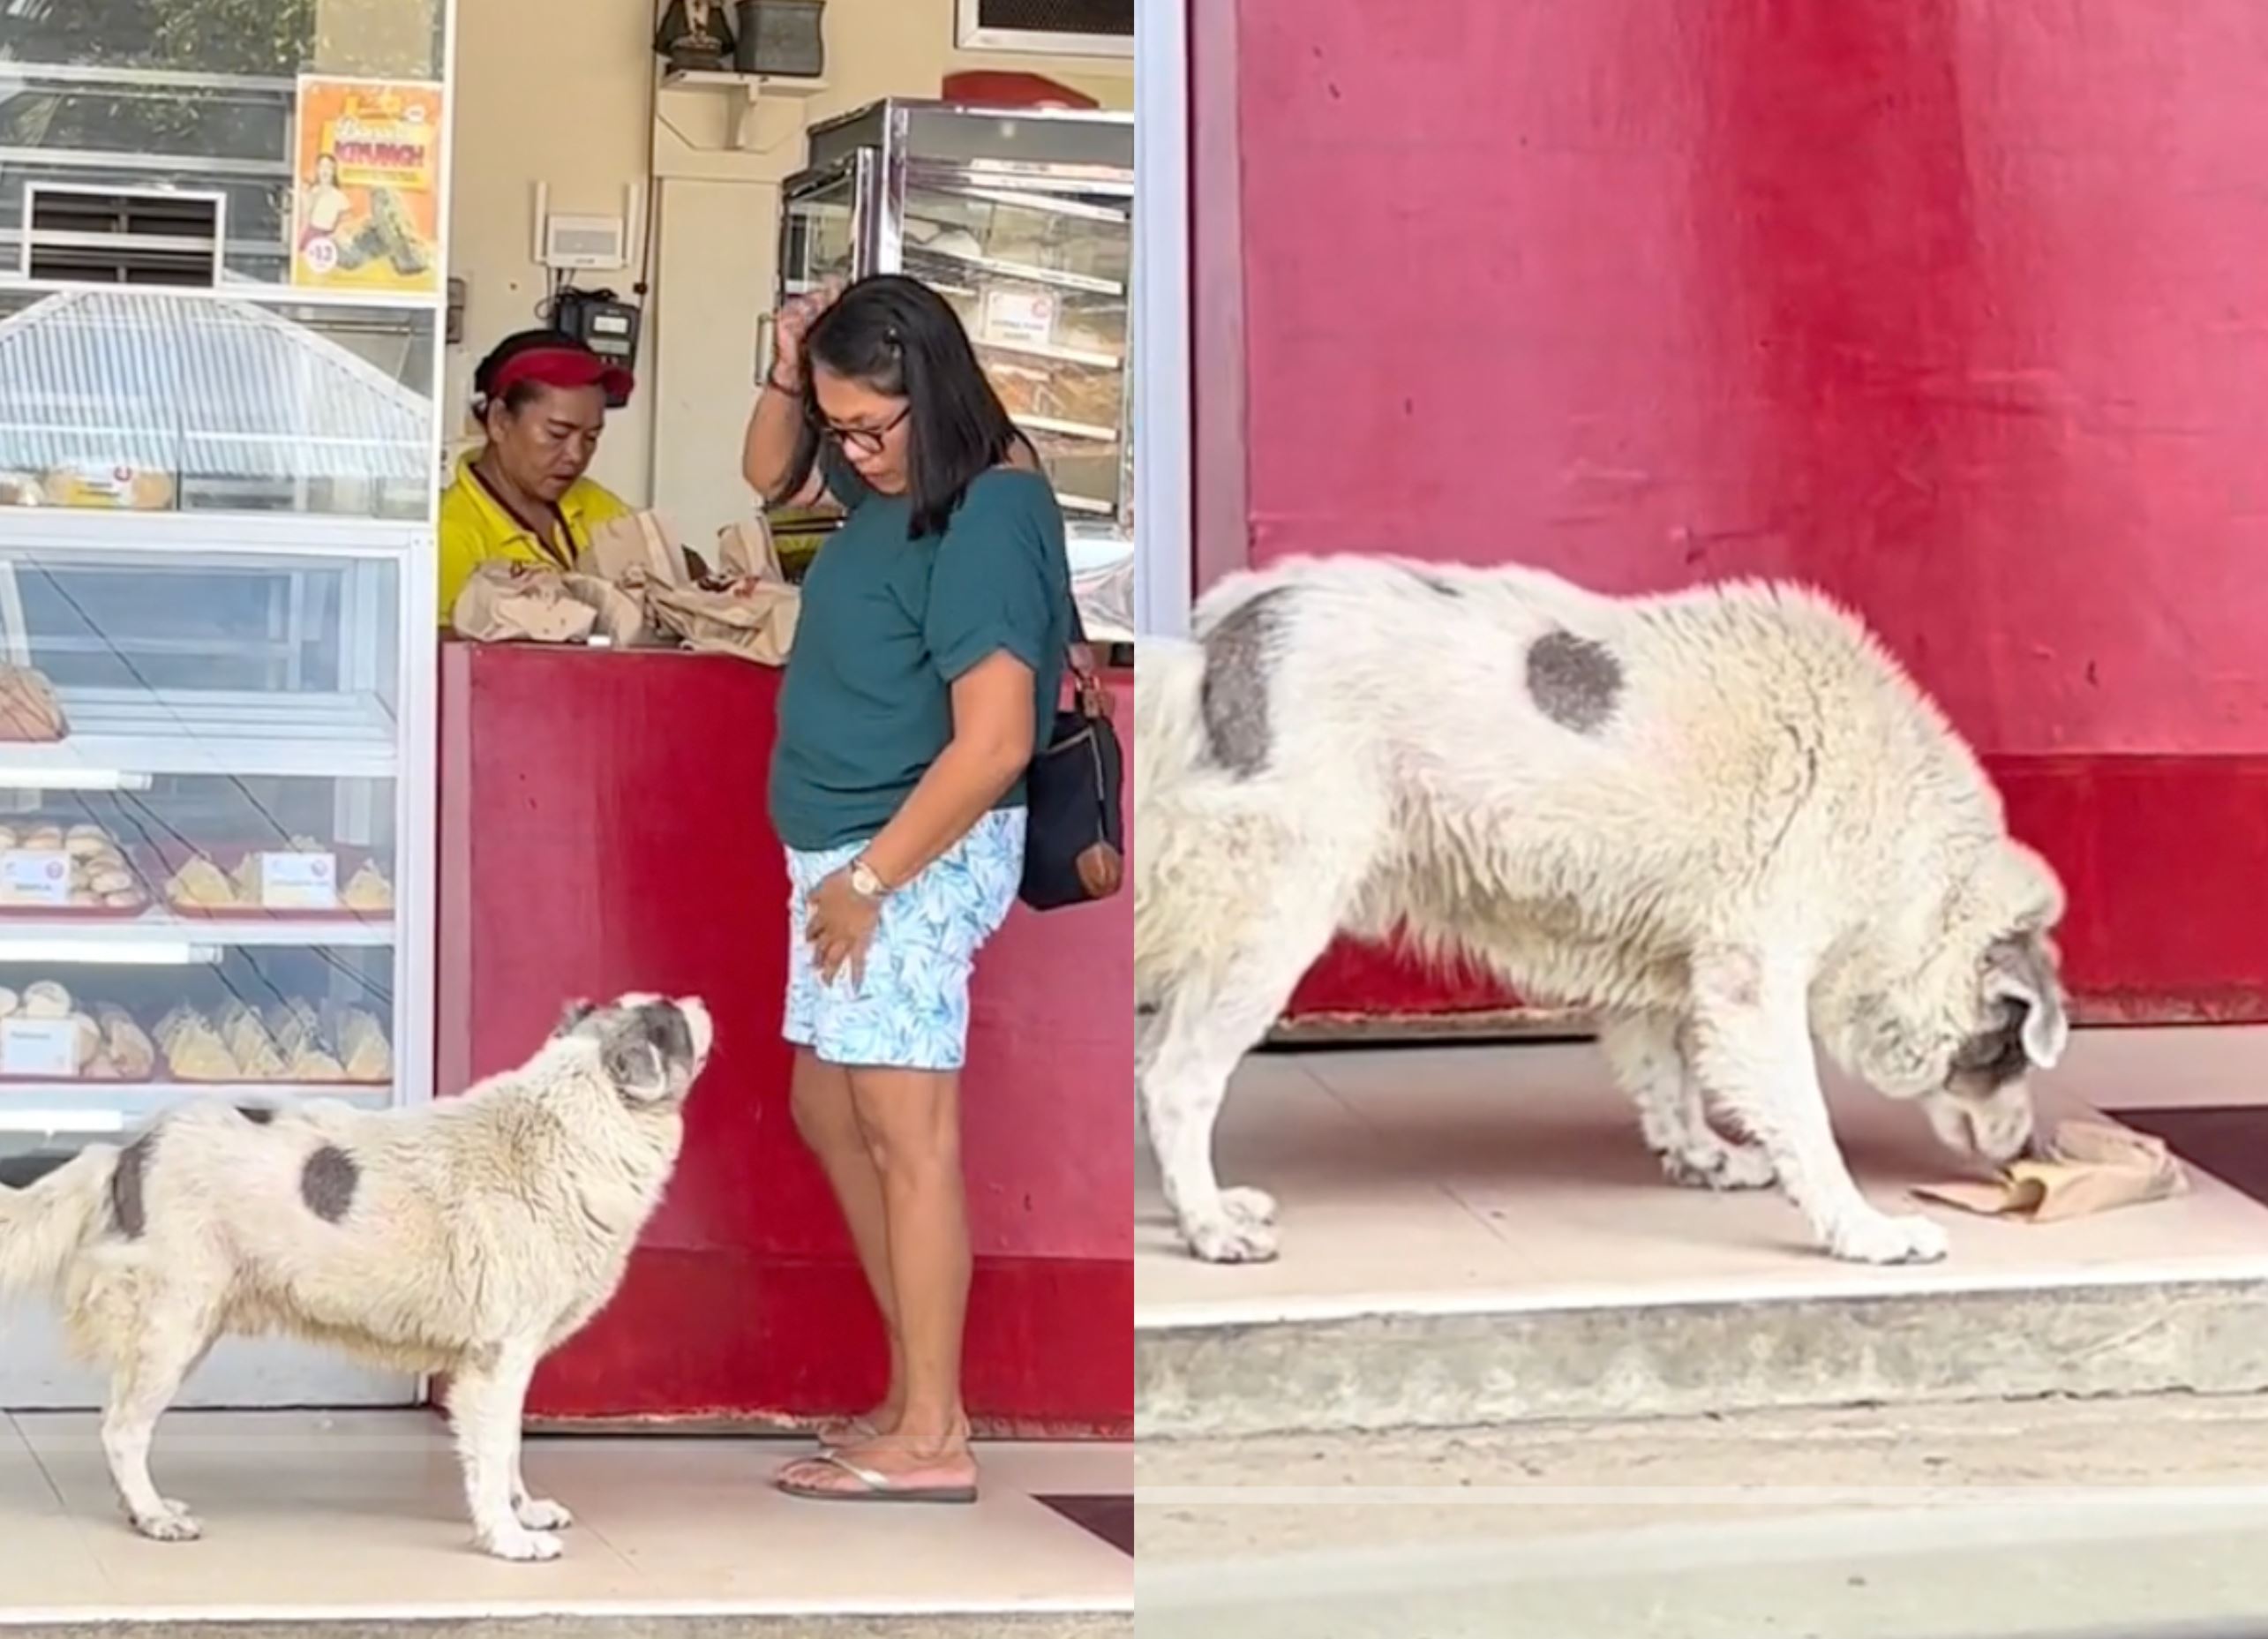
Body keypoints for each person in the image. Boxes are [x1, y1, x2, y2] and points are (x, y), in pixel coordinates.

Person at [742, 274, 1070, 1504]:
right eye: (842, 428)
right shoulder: (895, 476)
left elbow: (988, 743)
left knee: (905, 1133)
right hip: (844, 853)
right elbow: (764, 475)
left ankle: (932, 1432)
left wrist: (872, 881)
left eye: (876, 426)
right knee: (832, 1109)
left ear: (933, 395)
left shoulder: (986, 511)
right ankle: (913, 1390)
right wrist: (792, 368)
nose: (856, 452)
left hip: (904, 857)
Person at [437, 331, 634, 621]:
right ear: (500, 421)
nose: (576, 455)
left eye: (591, 437)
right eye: (558, 434)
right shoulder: (449, 532)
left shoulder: (595, 505)